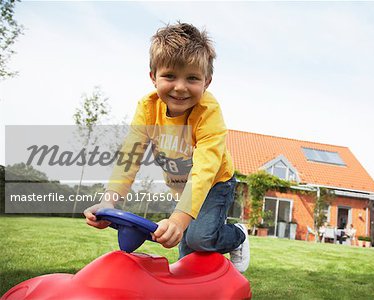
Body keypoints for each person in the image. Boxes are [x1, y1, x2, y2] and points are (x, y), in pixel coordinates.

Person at [83, 22, 250, 273]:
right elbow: (130, 156)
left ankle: (238, 235)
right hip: (182, 185)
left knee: (198, 237)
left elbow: (205, 170)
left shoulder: (208, 112)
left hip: (216, 182)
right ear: (153, 77)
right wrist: (109, 201)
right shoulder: (148, 108)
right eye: (170, 76)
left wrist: (178, 219)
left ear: (207, 82)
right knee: (187, 254)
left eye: (192, 78)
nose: (180, 87)